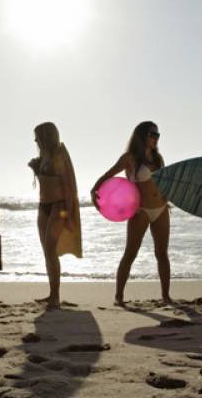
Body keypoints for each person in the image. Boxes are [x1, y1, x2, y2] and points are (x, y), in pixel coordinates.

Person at [92, 121, 171, 306]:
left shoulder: (157, 158)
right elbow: (107, 176)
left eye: (158, 134)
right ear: (142, 135)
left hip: (160, 209)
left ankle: (166, 296)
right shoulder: (130, 158)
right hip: (140, 210)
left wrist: (168, 200)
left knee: (162, 254)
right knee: (131, 253)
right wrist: (94, 193)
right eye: (153, 134)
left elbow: (164, 182)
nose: (156, 138)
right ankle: (119, 296)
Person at [28, 122, 82, 309]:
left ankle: (56, 297)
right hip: (43, 206)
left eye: (37, 136)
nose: (35, 139)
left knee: (51, 249)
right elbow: (47, 180)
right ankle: (52, 293)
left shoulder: (59, 154)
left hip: (59, 206)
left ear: (45, 136)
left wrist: (69, 214)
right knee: (46, 252)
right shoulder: (43, 155)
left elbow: (68, 185)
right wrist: (36, 169)